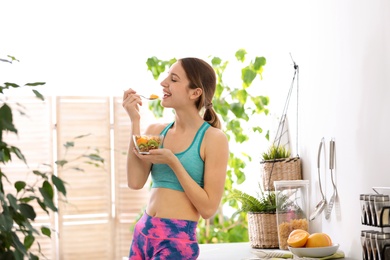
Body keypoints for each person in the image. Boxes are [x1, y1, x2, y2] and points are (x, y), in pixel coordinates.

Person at [122, 57, 229, 260]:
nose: (163, 83)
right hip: (143, 233)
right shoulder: (155, 131)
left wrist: (173, 162)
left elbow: (207, 209)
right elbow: (135, 182)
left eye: (173, 79)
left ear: (195, 92)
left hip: (175, 240)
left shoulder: (213, 139)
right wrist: (134, 120)